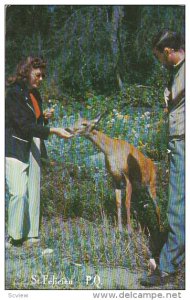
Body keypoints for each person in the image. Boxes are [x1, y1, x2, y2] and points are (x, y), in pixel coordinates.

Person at [5, 56, 73, 247]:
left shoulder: (35, 94)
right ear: (26, 71)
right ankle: (14, 235)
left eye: (43, 75)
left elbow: (34, 121)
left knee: (33, 190)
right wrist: (53, 130)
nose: (41, 79)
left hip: (34, 144)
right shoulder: (13, 94)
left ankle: (31, 234)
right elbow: (23, 125)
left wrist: (44, 117)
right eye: (38, 74)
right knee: (18, 192)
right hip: (15, 145)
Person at [140, 29, 185, 286]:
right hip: (178, 140)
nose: (160, 62)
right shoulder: (176, 73)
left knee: (177, 204)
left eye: (159, 57)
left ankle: (167, 267)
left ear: (168, 52)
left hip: (182, 141)